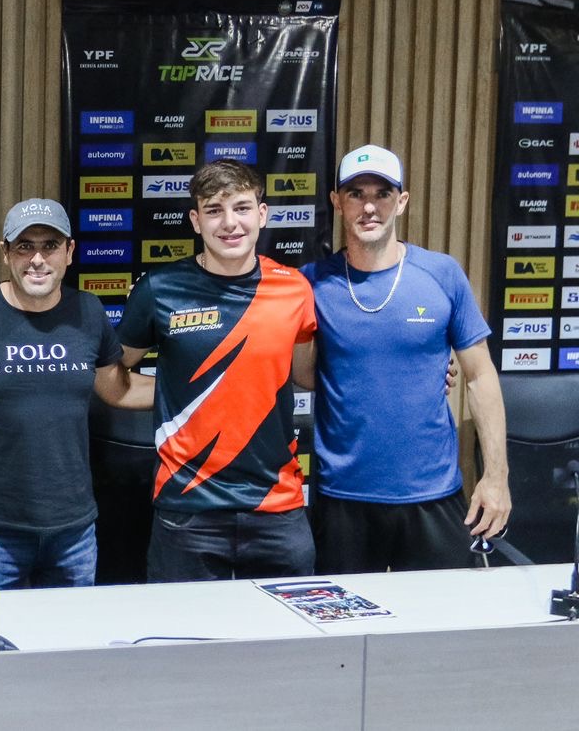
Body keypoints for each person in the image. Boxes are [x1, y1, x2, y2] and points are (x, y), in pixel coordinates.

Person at [0, 198, 152, 590]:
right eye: (25, 246)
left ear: (69, 252)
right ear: (5, 253)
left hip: (74, 531)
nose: (37, 259)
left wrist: (194, 387)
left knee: (72, 631)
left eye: (50, 246)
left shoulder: (88, 311)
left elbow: (118, 389)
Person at [301, 144, 509, 572]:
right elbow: (303, 374)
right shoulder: (311, 284)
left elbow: (480, 376)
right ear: (337, 202)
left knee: (440, 616)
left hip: (432, 494)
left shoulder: (442, 274)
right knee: (341, 617)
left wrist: (496, 476)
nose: (369, 207)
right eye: (356, 194)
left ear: (402, 201)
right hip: (343, 500)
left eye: (383, 193)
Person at [116, 160, 318, 582]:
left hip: (277, 508)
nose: (229, 223)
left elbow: (307, 374)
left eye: (242, 208)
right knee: (180, 627)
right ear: (196, 220)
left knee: (289, 627)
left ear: (262, 214)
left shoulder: (294, 289)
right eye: (214, 210)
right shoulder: (159, 289)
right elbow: (114, 376)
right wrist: (178, 391)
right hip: (188, 510)